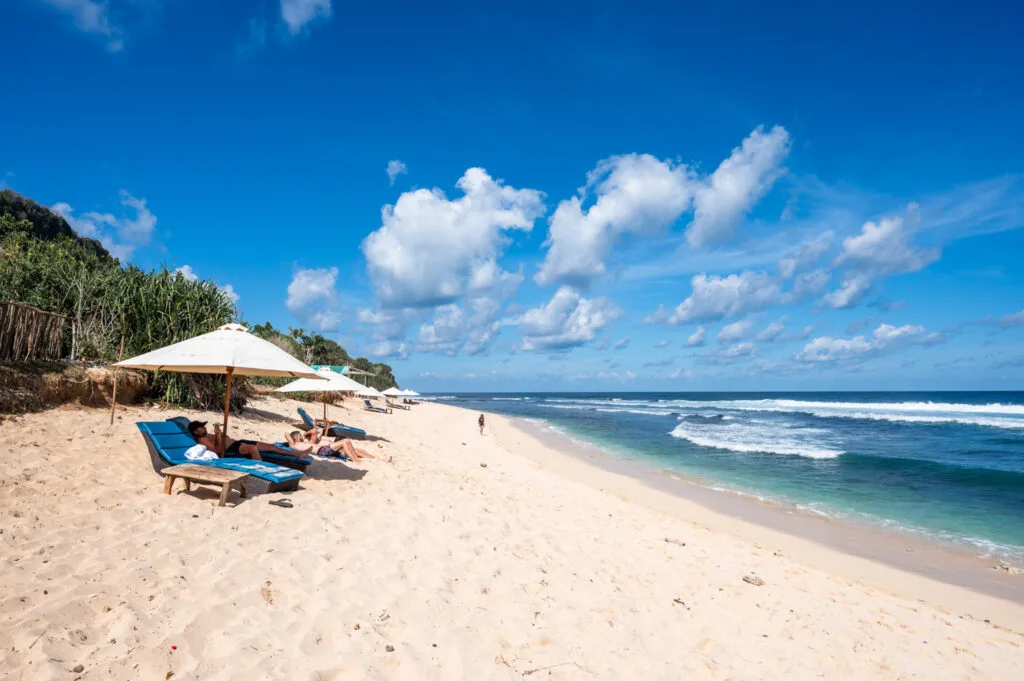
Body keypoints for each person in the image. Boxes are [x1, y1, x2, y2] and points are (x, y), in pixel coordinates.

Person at [187, 421, 304, 462]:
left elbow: (225, 438)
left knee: (272, 446)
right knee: (253, 448)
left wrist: (220, 433)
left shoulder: (207, 435)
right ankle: (261, 468)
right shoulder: (202, 439)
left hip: (238, 442)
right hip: (231, 449)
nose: (204, 427)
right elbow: (217, 451)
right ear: (195, 432)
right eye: (201, 427)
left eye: (203, 426)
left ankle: (297, 454)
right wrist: (218, 435)